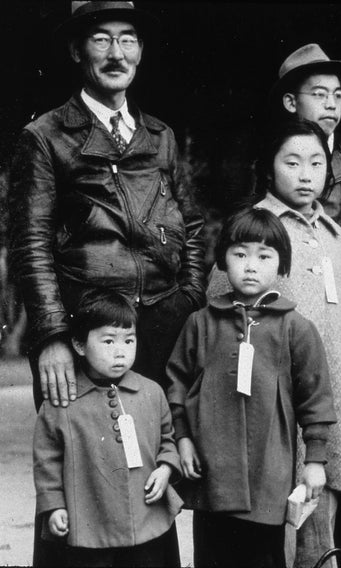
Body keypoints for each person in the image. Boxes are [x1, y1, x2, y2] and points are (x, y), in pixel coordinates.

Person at [8, 1, 206, 411]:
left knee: (165, 463)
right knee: (88, 464)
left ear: (140, 51)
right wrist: (53, 337)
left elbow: (193, 227)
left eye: (127, 40)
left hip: (164, 330)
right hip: (87, 334)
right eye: (102, 39)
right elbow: (31, 245)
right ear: (77, 51)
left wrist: (189, 298)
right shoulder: (45, 136)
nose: (117, 54)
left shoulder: (160, 136)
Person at [206, 119, 341, 568]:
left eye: (316, 163)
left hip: (334, 401)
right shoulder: (254, 230)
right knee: (277, 525)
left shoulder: (335, 236)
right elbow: (220, 312)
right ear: (270, 167)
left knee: (324, 515)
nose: (305, 174)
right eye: (292, 162)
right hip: (272, 409)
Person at [166, 207, 337, 568]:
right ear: (223, 261)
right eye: (240, 254)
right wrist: (182, 439)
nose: (251, 265)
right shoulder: (201, 323)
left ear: (281, 264)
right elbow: (176, 385)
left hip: (268, 477)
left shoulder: (296, 328)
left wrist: (316, 461)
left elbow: (316, 399)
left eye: (264, 255)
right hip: (212, 474)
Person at [33, 289, 183, 567]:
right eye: (108, 341)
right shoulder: (61, 403)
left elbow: (167, 439)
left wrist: (166, 468)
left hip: (145, 519)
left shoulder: (151, 392)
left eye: (129, 340)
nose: (120, 351)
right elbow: (47, 462)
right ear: (79, 345)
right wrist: (54, 506)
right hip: (90, 525)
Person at [272, 43, 341, 233]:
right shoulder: (266, 162)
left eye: (339, 95)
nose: (332, 104)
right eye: (319, 94)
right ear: (291, 102)